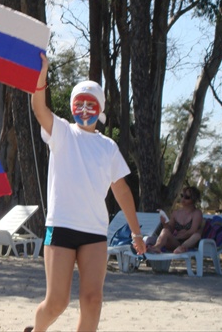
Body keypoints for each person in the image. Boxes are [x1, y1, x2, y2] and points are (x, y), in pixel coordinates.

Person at [26, 54, 146, 332]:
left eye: (90, 104)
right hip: (61, 227)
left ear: (100, 108)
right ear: (71, 107)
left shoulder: (108, 147)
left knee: (92, 301)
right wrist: (42, 73)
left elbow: (122, 191)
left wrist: (137, 233)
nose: (83, 109)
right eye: (78, 103)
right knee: (57, 302)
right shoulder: (62, 132)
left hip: (94, 232)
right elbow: (39, 108)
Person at [147, 186, 203, 254]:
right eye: (182, 196)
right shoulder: (176, 213)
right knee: (165, 230)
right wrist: (165, 224)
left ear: (193, 200)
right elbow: (170, 230)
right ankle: (157, 247)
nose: (183, 199)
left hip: (189, 242)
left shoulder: (197, 213)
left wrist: (177, 237)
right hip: (175, 243)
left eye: (187, 197)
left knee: (196, 235)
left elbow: (192, 231)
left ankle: (181, 248)